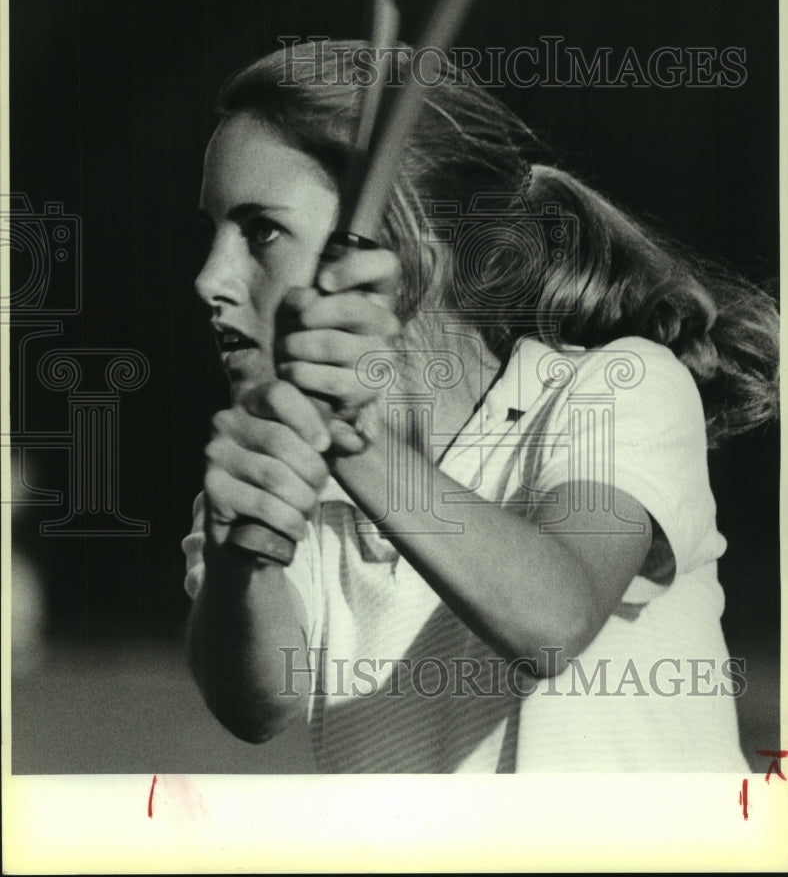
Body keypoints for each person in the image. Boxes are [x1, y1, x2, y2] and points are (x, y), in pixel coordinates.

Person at [182, 40, 778, 772]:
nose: (211, 277)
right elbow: (259, 706)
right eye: (211, 232)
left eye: (261, 231)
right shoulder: (269, 464)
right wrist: (242, 554)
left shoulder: (620, 387)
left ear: (407, 246)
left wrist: (357, 444)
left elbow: (552, 620)